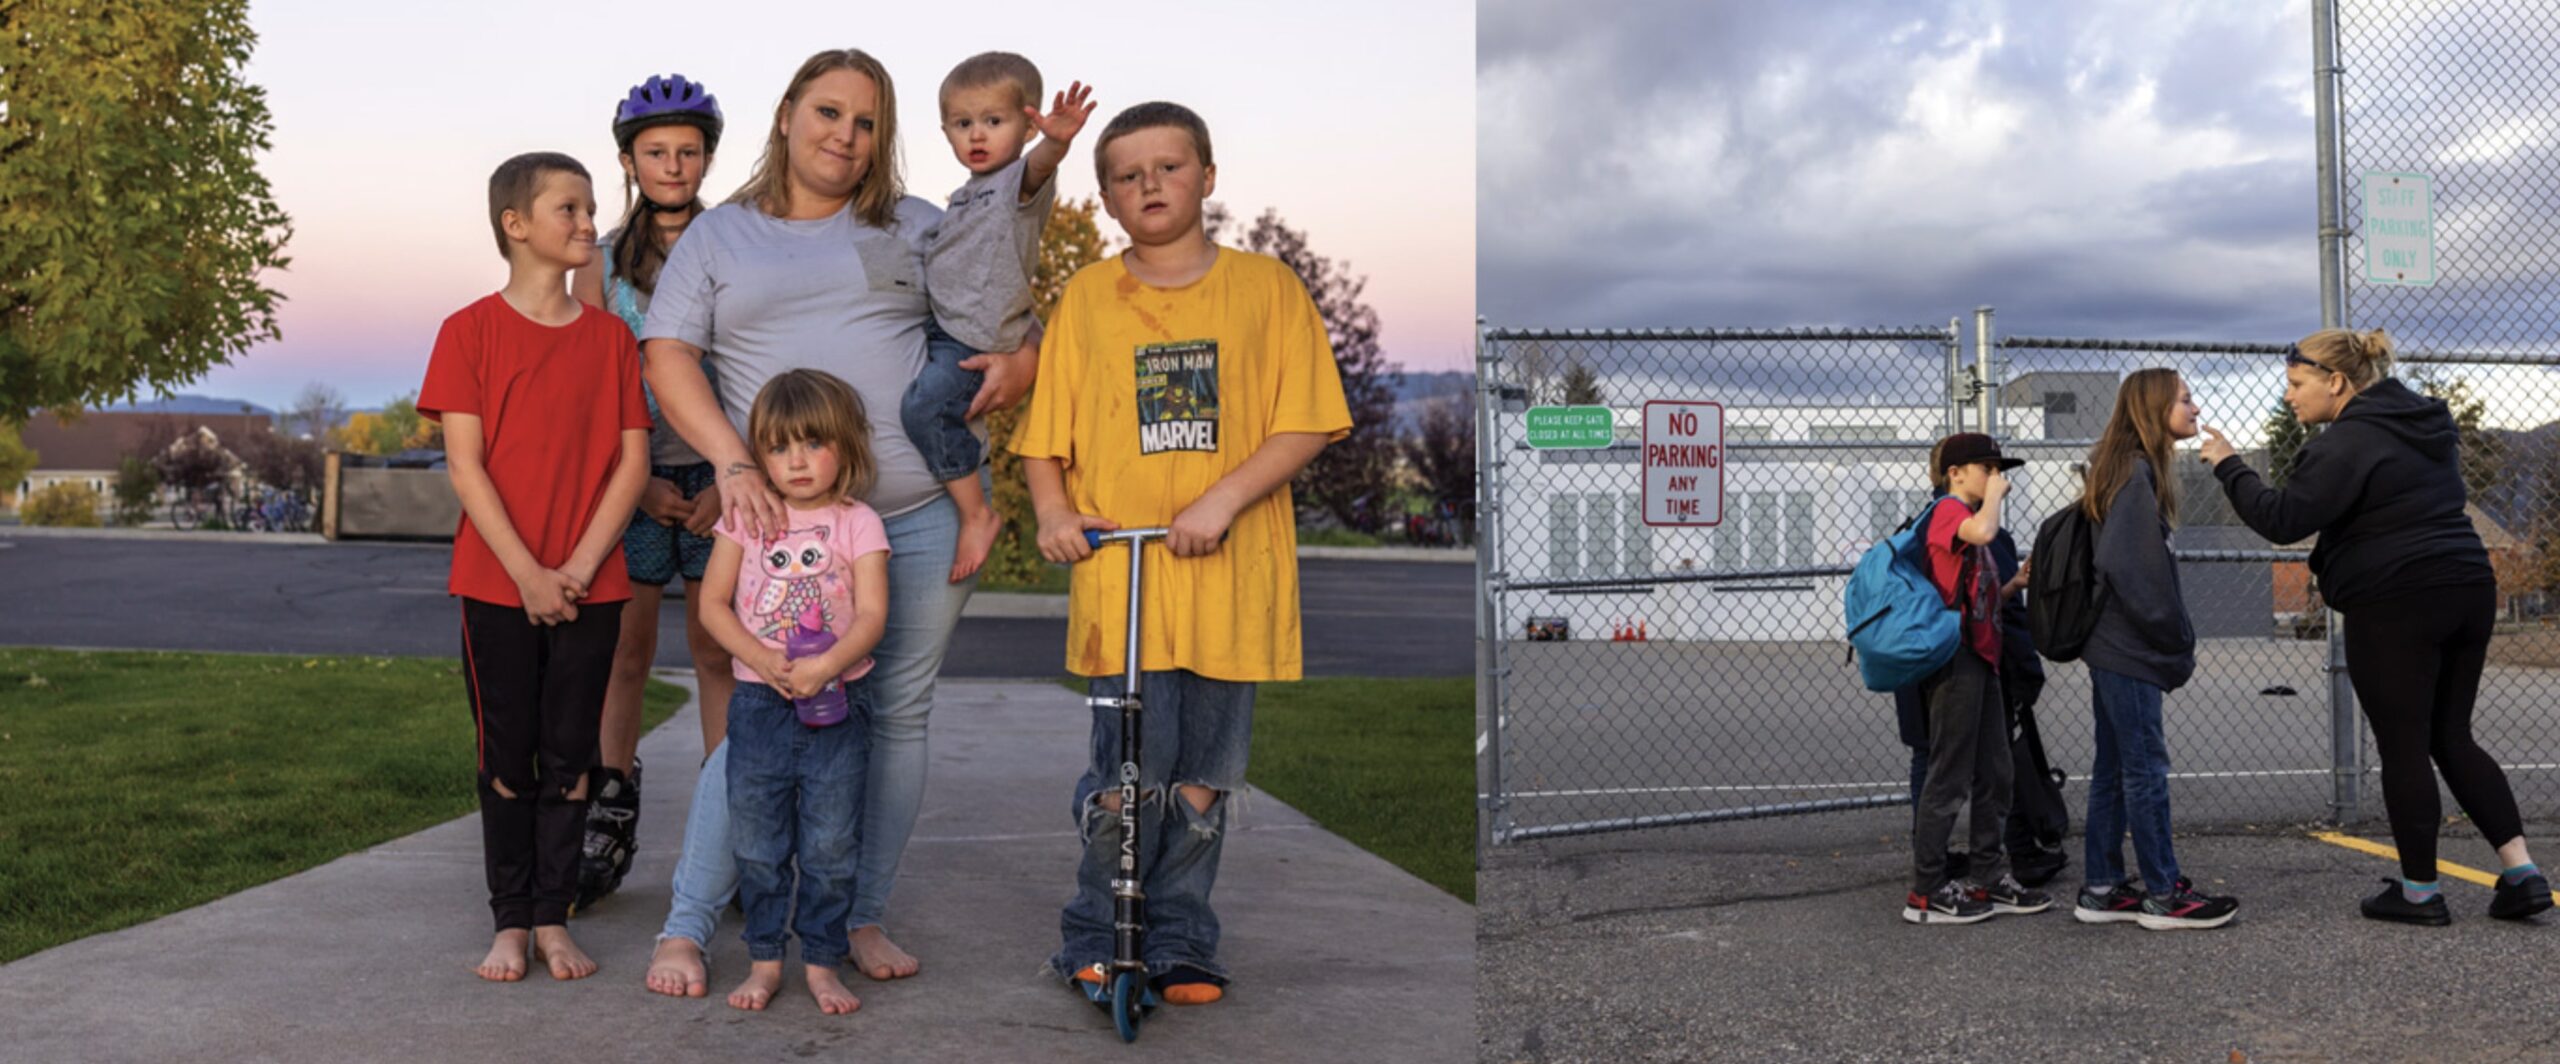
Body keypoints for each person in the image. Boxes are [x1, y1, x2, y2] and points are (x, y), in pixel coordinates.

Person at [637, 49, 1041, 997]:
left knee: (895, 717)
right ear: (785, 115)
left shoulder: (916, 224)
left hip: (916, 516)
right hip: (781, 528)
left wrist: (1026, 362)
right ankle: (688, 927)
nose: (844, 137)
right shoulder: (721, 236)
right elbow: (666, 355)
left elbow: (1003, 308)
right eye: (827, 113)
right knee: (759, 727)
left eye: (866, 123)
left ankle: (854, 917)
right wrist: (735, 463)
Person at [1016, 100, 1352, 1004]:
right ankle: (1095, 932)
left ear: (1207, 175)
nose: (1149, 185)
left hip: (1228, 583)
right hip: (1123, 583)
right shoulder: (1089, 297)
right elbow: (1045, 439)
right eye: (1127, 176)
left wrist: (1221, 498)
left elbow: (1307, 421)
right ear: (1109, 200)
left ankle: (1181, 939)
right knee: (1126, 775)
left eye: (1168, 167)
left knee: (1203, 780)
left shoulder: (1267, 289)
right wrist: (1053, 510)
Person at [2202, 329, 2549, 925]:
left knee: (2404, 745)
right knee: (2451, 735)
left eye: (2296, 384)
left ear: (2336, 382)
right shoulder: (2422, 426)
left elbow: (2282, 520)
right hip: (2467, 584)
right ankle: (2522, 873)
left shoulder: (2347, 442)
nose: (2289, 397)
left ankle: (2420, 894)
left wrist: (2229, 465)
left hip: (2396, 599)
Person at [416, 151, 652, 981]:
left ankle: (555, 917)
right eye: (570, 209)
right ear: (516, 225)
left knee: (571, 755)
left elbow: (631, 465)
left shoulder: (614, 340)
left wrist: (579, 568)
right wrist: (527, 573)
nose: (589, 223)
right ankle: (509, 920)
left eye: (591, 209)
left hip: (594, 584)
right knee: (506, 757)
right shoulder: (468, 331)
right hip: (495, 583)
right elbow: (465, 467)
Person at [566, 72, 735, 913]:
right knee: (624, 655)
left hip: (716, 474)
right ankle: (610, 803)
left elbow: (745, 365)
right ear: (630, 161)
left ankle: (730, 823)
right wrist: (632, 489)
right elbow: (596, 381)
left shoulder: (734, 241)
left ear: (707, 157)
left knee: (717, 651)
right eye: (656, 152)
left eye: (689, 151)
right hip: (631, 473)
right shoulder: (599, 264)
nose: (674, 165)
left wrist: (730, 478)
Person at [696, 369, 889, 1014]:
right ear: (760, 454)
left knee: (831, 845)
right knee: (758, 842)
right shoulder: (746, 519)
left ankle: (824, 961)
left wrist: (827, 663)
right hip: (758, 705)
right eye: (779, 448)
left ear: (846, 446)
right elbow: (714, 606)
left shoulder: (858, 523)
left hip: (839, 707)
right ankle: (765, 959)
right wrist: (765, 660)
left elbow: (871, 616)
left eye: (812, 443)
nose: (796, 461)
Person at [913, 51, 1094, 583]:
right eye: (963, 123)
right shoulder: (966, 195)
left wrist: (1055, 142)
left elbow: (1039, 168)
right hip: (942, 326)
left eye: (994, 121)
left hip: (973, 339)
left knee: (924, 409)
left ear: (1026, 121)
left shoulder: (1018, 184)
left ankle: (977, 514)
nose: (977, 135)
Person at [2072, 369, 2238, 931]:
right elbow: (2128, 569)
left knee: (2115, 767)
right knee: (2143, 769)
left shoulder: (2125, 468)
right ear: (2153, 409)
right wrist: (2174, 634)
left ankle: (2101, 888)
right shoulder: (2134, 474)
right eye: (2185, 400)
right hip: (2128, 649)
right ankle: (2164, 896)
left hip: (2114, 647)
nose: (2195, 408)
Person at [1901, 433, 2048, 924]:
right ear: (1956, 472)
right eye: (1985, 467)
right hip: (1955, 661)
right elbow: (1983, 534)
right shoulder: (1948, 511)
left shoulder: (1969, 519)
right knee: (1948, 773)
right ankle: (1926, 889)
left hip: (1982, 659)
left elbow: (1977, 597)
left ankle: (1986, 875)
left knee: (1997, 770)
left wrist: (2014, 585)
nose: (1995, 475)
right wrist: (1993, 501)